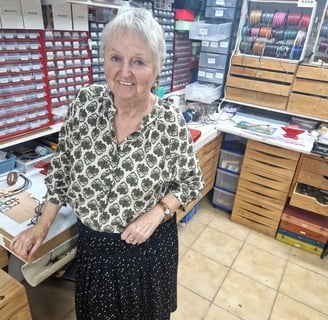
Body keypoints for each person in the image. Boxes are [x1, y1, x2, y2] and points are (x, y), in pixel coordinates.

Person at [10, 6, 204, 320]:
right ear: (103, 59)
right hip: (94, 253)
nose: (124, 72)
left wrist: (157, 213)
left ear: (156, 68)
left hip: (145, 256)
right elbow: (62, 173)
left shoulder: (169, 122)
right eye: (115, 58)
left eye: (138, 61)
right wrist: (40, 228)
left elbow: (191, 183)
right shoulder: (84, 104)